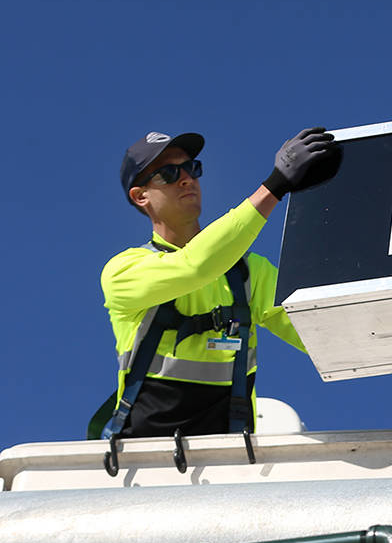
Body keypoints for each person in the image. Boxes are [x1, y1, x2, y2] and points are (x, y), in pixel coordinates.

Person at [97, 128, 341, 440]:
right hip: (143, 462)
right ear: (140, 195)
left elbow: (324, 332)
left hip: (228, 462)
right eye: (169, 173)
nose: (186, 178)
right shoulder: (123, 272)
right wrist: (276, 186)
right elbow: (195, 266)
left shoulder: (249, 274)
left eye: (191, 168)